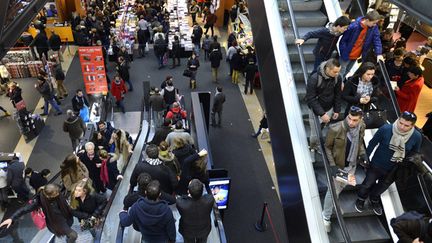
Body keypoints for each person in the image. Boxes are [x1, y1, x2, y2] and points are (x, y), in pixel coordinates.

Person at [355, 112, 422, 215]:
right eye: (401, 123)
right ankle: (361, 198)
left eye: (406, 125)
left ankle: (374, 199)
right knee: (368, 183)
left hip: (395, 168)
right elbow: (372, 143)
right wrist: (365, 157)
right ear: (398, 119)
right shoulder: (386, 129)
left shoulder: (416, 137)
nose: (402, 127)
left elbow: (415, 152)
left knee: (383, 186)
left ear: (412, 126)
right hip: (377, 163)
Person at [321, 106, 367, 232]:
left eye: (355, 120)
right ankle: (325, 215)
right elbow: (327, 147)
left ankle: (332, 206)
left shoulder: (361, 126)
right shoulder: (335, 128)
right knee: (333, 191)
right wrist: (332, 165)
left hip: (352, 164)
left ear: (360, 119)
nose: (351, 122)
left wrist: (363, 154)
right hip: (339, 165)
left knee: (341, 187)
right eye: (349, 118)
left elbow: (360, 141)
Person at [0, 184, 77, 243]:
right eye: (56, 193)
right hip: (57, 224)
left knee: (69, 234)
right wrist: (12, 218)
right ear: (48, 196)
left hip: (66, 219)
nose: (58, 194)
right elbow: (24, 210)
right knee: (73, 235)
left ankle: (67, 237)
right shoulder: (40, 202)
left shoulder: (58, 195)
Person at [305, 58, 343, 152]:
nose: (337, 74)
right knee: (315, 133)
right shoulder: (314, 79)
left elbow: (337, 94)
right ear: (328, 69)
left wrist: (337, 110)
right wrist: (322, 114)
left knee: (323, 126)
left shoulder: (337, 78)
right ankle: (313, 146)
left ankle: (316, 143)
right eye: (335, 72)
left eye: (338, 71)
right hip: (316, 110)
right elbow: (311, 98)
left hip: (329, 108)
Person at [339, 10, 384, 77]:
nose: (375, 25)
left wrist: (379, 53)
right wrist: (344, 52)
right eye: (374, 23)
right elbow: (343, 40)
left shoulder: (373, 28)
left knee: (346, 71)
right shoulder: (354, 26)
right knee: (340, 73)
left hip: (356, 55)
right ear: (367, 20)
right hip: (346, 54)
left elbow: (377, 40)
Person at [177, 179, 215, 243]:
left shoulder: (181, 204)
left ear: (188, 191)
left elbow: (180, 198)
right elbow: (209, 195)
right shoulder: (210, 200)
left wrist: (188, 196)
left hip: (187, 231)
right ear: (202, 191)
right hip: (204, 230)